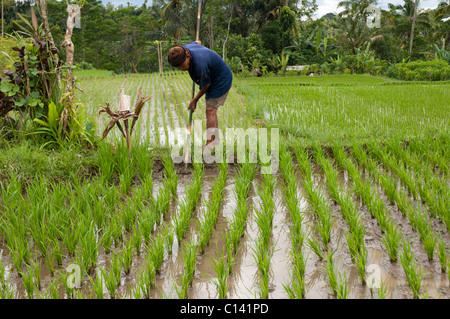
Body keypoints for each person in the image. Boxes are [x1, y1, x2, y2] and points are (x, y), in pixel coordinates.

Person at [167, 41, 232, 152]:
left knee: (210, 110)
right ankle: (215, 140)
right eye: (179, 67)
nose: (182, 69)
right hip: (212, 75)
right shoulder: (184, 48)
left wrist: (195, 100)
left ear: (187, 55)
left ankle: (209, 144)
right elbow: (198, 42)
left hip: (220, 80)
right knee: (212, 110)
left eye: (183, 65)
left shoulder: (200, 66)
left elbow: (206, 85)